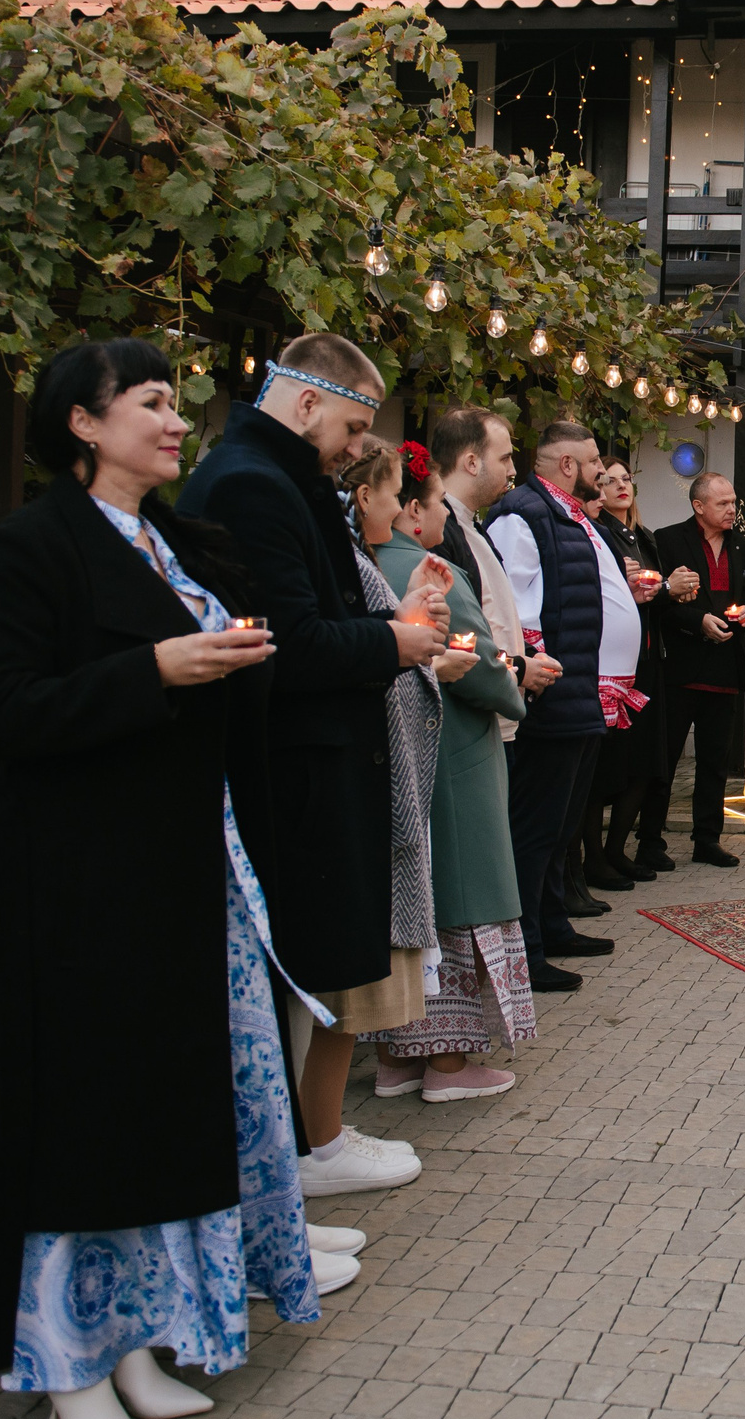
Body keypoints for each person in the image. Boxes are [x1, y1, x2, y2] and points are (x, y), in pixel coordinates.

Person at [0, 338, 354, 1419]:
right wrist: (155, 671)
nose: (175, 422)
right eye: (152, 403)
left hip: (173, 876)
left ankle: (131, 1343)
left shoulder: (174, 541)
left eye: (175, 404)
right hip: (66, 896)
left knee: (152, 1117)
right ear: (81, 421)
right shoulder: (26, 549)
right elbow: (3, 709)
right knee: (77, 1122)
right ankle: (61, 1359)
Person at [178, 333, 448, 1193]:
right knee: (296, 973)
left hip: (315, 759)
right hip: (293, 769)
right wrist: (393, 641)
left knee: (313, 974)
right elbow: (287, 645)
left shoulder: (276, 478)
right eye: (353, 423)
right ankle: (295, 1157)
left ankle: (301, 1149)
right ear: (304, 404)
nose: (359, 445)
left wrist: (389, 628)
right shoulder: (254, 486)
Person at [367, 443, 540, 1102]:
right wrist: (513, 688)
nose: (441, 509)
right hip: (453, 757)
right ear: (410, 510)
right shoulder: (428, 568)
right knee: (458, 899)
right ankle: (447, 1062)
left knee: (408, 902)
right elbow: (474, 652)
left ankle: (394, 1055)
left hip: (395, 757)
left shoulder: (362, 564)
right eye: (434, 500)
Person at [485, 422, 627, 988]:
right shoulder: (525, 514)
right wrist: (534, 672)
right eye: (595, 460)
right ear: (568, 464)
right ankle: (527, 950)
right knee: (536, 827)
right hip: (551, 695)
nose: (602, 470)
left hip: (579, 692)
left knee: (559, 823)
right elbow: (518, 608)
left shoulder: (565, 513)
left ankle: (552, 922)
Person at [333, 436, 449, 1051]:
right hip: (376, 760)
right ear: (361, 497)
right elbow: (362, 644)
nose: (404, 510)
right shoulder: (350, 560)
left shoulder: (364, 558)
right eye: (395, 496)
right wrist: (406, 630)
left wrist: (413, 618)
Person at [584, 457, 696, 888]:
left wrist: (675, 592)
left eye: (627, 478)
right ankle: (593, 858)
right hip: (611, 668)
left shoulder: (644, 538)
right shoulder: (597, 535)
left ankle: (616, 850)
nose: (620, 486)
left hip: (650, 660)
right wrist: (664, 588)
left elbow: (651, 599)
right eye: (608, 480)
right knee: (607, 765)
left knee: (647, 762)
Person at [646, 471, 745, 868]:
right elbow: (657, 604)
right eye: (723, 503)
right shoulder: (667, 540)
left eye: (734, 502)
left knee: (715, 762)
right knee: (662, 761)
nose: (733, 509)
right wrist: (696, 621)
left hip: (726, 668)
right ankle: (650, 840)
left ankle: (707, 840)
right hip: (680, 668)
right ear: (699, 507)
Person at [430, 406, 562, 739]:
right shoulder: (440, 530)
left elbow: (494, 614)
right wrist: (518, 668)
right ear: (471, 462)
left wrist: (528, 656)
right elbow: (457, 631)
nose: (513, 470)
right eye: (504, 459)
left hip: (493, 712)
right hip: (467, 718)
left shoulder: (472, 526)